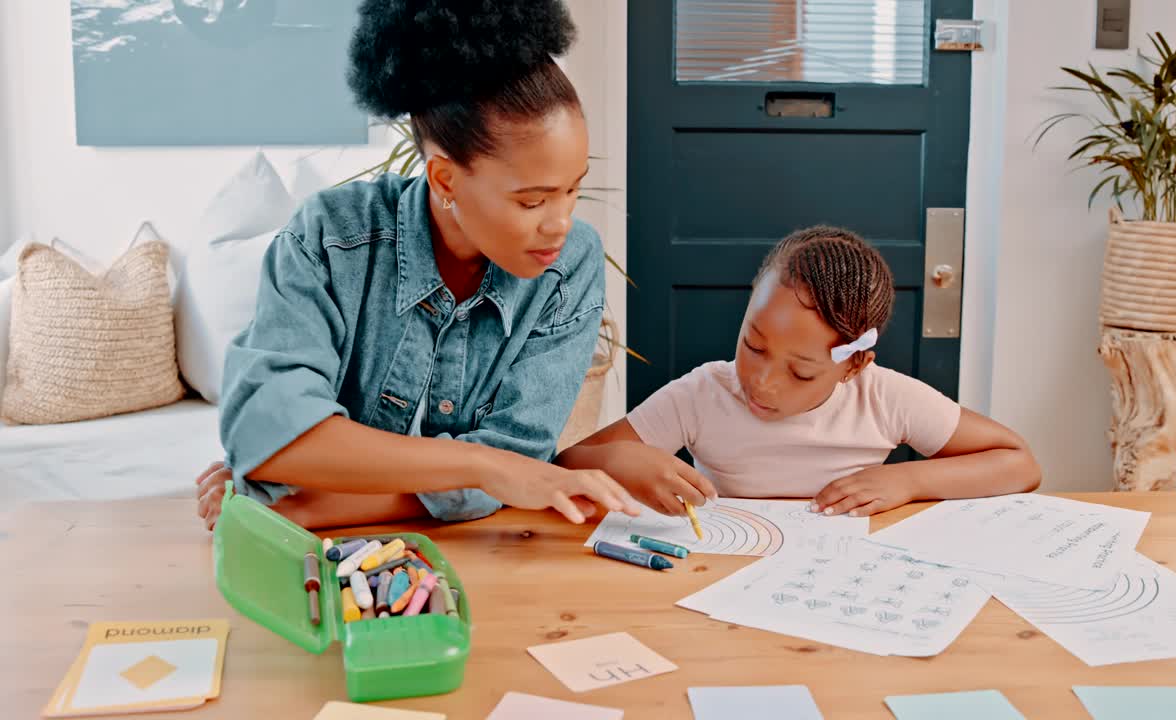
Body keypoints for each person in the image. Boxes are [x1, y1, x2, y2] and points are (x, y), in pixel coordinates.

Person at [196, 0, 641, 530]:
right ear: (445, 180)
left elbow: (519, 459)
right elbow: (269, 437)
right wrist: (483, 467)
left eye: (573, 189)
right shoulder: (331, 239)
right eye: (532, 201)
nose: (561, 222)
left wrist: (309, 502)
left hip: (471, 561)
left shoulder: (571, 265)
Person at [556, 225, 1041, 517]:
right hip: (724, 573)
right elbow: (565, 464)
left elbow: (1020, 465)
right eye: (752, 345)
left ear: (853, 366)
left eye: (802, 373)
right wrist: (619, 460)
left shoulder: (884, 398)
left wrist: (909, 481)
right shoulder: (703, 394)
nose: (762, 382)